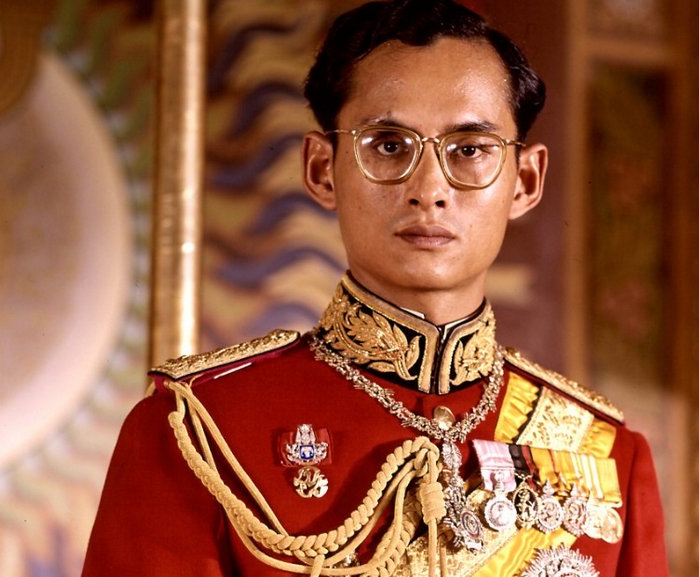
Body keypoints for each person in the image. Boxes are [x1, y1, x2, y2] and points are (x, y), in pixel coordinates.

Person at [81, 1, 668, 575]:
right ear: (322, 169)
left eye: (470, 150)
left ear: (526, 180)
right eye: (388, 146)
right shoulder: (200, 431)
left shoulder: (606, 455)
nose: (429, 190)